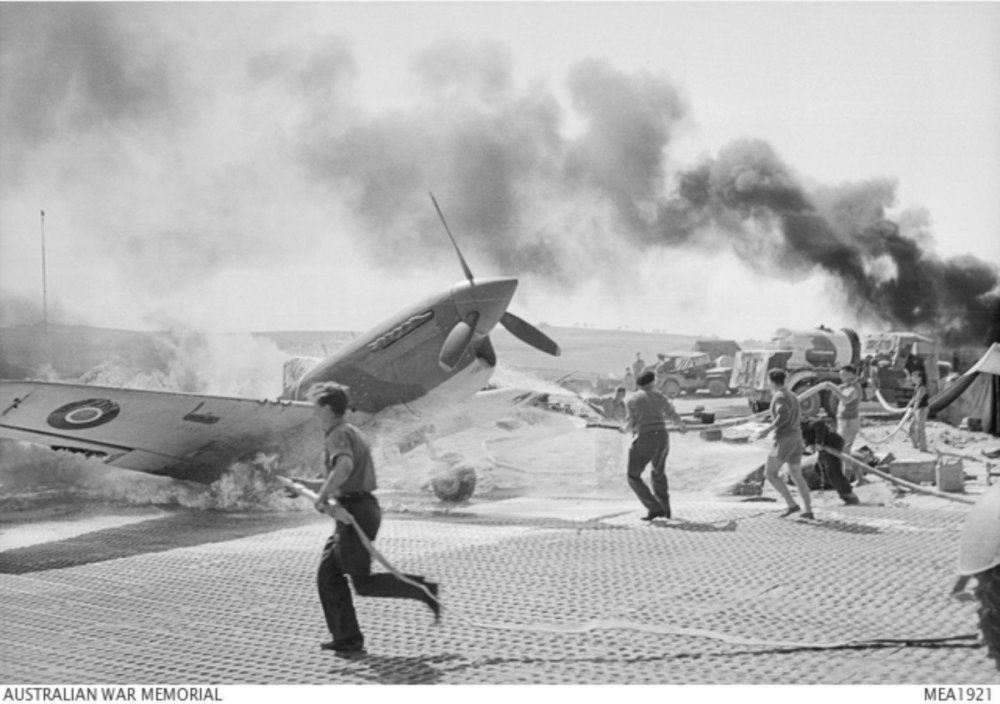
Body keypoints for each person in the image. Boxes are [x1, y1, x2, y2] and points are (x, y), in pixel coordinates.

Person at [310, 381, 439, 655]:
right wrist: (309, 485)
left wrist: (322, 495)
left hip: (354, 512)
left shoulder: (337, 435)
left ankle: (423, 589)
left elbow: (344, 468)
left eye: (316, 408)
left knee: (361, 583)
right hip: (360, 509)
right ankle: (346, 637)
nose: (313, 413)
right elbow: (346, 475)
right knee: (329, 574)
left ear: (327, 408)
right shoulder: (350, 431)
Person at [625, 370, 687, 520]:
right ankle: (665, 510)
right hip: (662, 437)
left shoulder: (632, 400)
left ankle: (654, 508)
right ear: (652, 383)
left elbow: (630, 423)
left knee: (633, 475)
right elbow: (673, 415)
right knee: (658, 473)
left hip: (646, 438)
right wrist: (681, 426)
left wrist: (624, 429)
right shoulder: (660, 397)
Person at [754, 369, 814, 519]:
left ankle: (792, 504)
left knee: (770, 474)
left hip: (785, 439)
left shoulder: (780, 396)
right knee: (797, 475)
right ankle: (808, 510)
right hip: (796, 438)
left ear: (771, 381)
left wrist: (768, 430)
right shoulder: (792, 395)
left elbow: (783, 415)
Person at [800, 419, 860, 506]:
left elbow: (819, 423)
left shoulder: (799, 424)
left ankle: (849, 496)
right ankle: (844, 486)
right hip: (825, 446)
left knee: (833, 472)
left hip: (831, 442)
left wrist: (819, 442)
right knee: (819, 469)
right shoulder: (792, 429)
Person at [810, 365, 863, 454]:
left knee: (843, 449)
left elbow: (846, 400)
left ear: (851, 374)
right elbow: (839, 389)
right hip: (844, 421)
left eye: (843, 375)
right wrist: (830, 387)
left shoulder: (855, 388)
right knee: (840, 448)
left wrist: (833, 388)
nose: (841, 377)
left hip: (849, 422)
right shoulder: (848, 386)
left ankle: (851, 463)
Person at [906, 367, 929, 452]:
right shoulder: (917, 387)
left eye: (914, 377)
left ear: (920, 378)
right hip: (917, 409)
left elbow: (918, 400)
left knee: (920, 428)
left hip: (922, 409)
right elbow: (914, 398)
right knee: (911, 427)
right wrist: (908, 405)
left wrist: (913, 410)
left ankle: (923, 448)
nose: (912, 379)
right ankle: (915, 444)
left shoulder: (922, 388)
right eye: (912, 377)